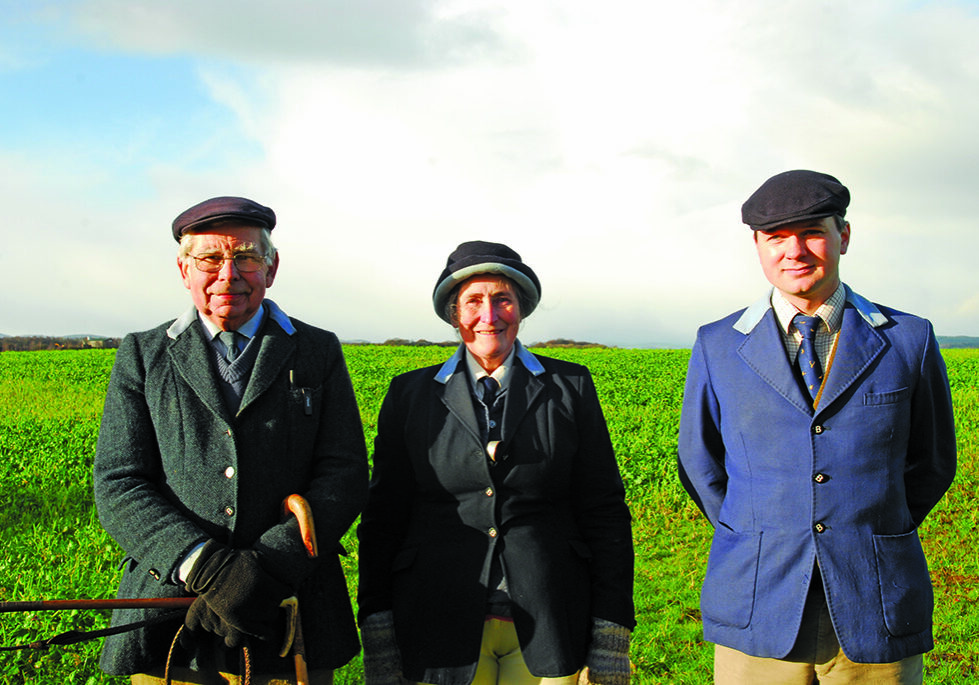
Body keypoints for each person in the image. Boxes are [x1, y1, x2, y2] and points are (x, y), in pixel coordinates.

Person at [677, 170, 957, 684]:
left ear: (843, 237)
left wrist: (869, 527)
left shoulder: (908, 339)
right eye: (776, 238)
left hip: (874, 601)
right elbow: (701, 464)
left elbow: (933, 462)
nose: (794, 251)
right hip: (757, 600)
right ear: (757, 247)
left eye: (811, 232)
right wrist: (758, 532)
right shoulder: (717, 345)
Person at [93, 196, 369, 684]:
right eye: (210, 259)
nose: (228, 274)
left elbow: (344, 473)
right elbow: (120, 482)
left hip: (289, 608)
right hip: (172, 611)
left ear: (272, 266)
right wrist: (205, 566)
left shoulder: (317, 349)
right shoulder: (143, 354)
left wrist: (267, 567)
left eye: (245, 257)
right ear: (184, 269)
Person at [357, 241, 635, 685]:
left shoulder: (570, 386)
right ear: (454, 314)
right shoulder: (409, 395)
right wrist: (377, 624)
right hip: (437, 620)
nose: (489, 316)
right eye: (473, 301)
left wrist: (611, 628)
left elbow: (604, 510)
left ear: (520, 309)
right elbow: (383, 516)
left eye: (503, 299)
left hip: (549, 619)